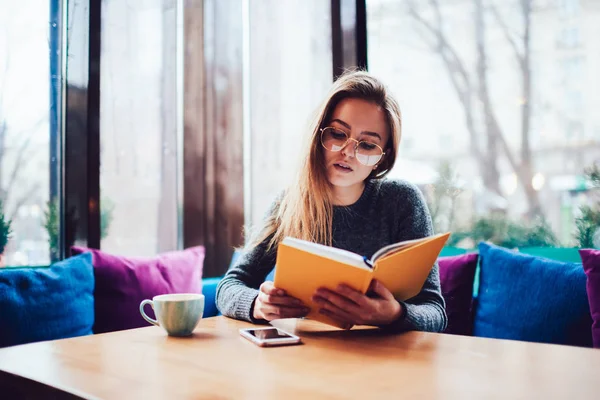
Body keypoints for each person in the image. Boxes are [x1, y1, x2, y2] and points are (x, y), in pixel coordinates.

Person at [216, 70, 447, 332]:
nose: (348, 152)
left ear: (382, 158)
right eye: (338, 134)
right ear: (319, 135)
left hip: (384, 361)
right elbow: (229, 287)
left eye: (368, 145)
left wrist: (393, 314)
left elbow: (435, 312)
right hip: (306, 355)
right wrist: (257, 303)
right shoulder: (290, 203)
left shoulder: (401, 201)